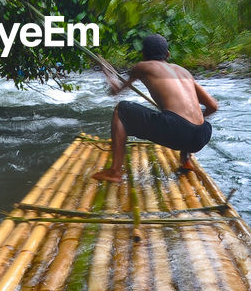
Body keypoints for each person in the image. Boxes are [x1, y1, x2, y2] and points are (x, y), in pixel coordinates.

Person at [93, 33, 219, 183]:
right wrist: (190, 124)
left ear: (144, 54)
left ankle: (115, 171)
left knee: (121, 110)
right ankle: (186, 159)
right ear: (167, 54)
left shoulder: (142, 66)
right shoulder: (183, 71)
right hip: (202, 135)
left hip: (179, 131)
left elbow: (116, 92)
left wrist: (108, 74)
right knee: (186, 121)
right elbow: (213, 106)